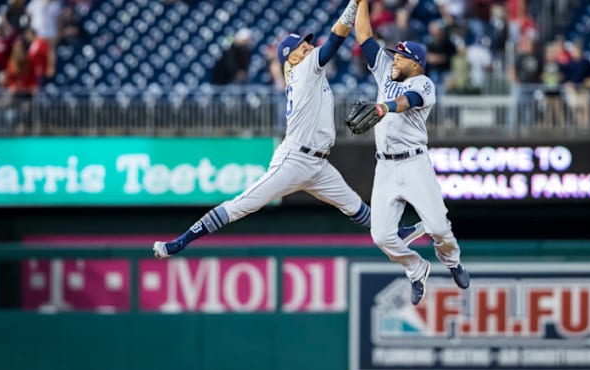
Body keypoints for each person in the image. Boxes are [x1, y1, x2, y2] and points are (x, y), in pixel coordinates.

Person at [153, 0, 424, 259]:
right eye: (300, 46)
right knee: (242, 205)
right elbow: (335, 39)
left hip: (319, 165)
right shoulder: (303, 69)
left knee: (354, 205)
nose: (306, 47)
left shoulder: (308, 73)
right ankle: (178, 242)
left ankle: (396, 233)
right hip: (293, 159)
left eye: (307, 44)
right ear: (289, 57)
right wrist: (354, 4)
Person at [352, 0, 470, 306]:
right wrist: (360, 2)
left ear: (415, 62)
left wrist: (383, 107)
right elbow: (364, 35)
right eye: (395, 55)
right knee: (381, 237)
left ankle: (453, 260)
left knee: (439, 230)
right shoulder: (384, 73)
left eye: (400, 56)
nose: (394, 59)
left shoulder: (424, 83)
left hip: (414, 163)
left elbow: (409, 100)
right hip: (386, 168)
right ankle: (417, 269)